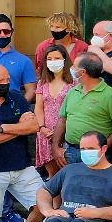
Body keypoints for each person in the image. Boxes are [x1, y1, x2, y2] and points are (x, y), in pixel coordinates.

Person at [0, 62, 45, 222]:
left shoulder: (16, 96)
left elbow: (33, 126)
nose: (5, 84)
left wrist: (2, 128)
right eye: (0, 82)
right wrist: (18, 127)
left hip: (22, 166)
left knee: (46, 204)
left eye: (6, 80)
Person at [53, 53, 112, 167]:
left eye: (74, 66)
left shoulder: (111, 95)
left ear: (82, 72)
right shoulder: (72, 91)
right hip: (70, 151)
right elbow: (62, 120)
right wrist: (55, 147)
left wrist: (105, 145)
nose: (71, 69)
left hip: (96, 154)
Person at [34, 45, 73, 177]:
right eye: (49, 59)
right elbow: (38, 107)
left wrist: (63, 132)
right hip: (46, 133)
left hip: (66, 134)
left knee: (66, 174)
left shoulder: (74, 83)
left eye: (57, 58)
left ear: (64, 59)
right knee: (52, 176)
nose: (53, 61)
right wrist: (41, 127)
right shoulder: (42, 82)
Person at [0, 13, 37, 102]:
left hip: (11, 112)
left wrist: (18, 108)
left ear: (11, 32)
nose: (2, 35)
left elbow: (31, 90)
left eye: (6, 31)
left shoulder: (24, 61)